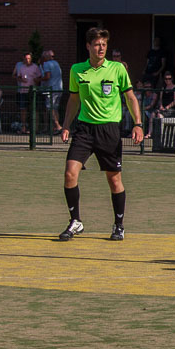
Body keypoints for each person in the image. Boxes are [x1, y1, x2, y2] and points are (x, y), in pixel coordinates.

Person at [57, 27, 145, 242]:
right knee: (70, 173)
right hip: (84, 129)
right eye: (97, 44)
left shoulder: (117, 69)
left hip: (109, 130)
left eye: (104, 45)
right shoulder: (77, 70)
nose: (101, 48)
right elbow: (74, 99)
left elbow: (131, 98)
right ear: (88, 46)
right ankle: (76, 221)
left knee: (114, 180)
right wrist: (66, 125)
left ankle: (119, 224)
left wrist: (138, 124)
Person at [12, 51, 43, 134]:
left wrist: (36, 81)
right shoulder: (21, 67)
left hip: (32, 91)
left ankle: (35, 128)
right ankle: (23, 127)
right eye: (26, 59)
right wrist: (21, 80)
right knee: (23, 109)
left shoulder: (35, 67)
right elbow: (17, 76)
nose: (27, 60)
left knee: (34, 109)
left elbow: (40, 77)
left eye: (29, 58)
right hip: (23, 91)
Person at [41, 49, 64, 133]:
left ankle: (58, 126)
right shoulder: (56, 63)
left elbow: (47, 76)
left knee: (50, 108)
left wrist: (38, 79)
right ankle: (52, 127)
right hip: (59, 88)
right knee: (55, 108)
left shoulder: (46, 64)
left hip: (51, 89)